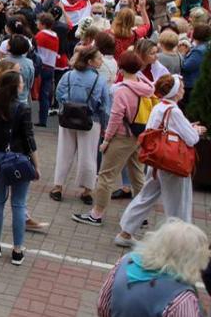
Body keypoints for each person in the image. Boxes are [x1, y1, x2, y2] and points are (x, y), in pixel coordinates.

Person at [118, 74, 206, 245]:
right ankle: (178, 243)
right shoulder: (174, 111)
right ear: (174, 92)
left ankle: (125, 232)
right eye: (180, 87)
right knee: (178, 204)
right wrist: (197, 130)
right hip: (173, 164)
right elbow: (191, 139)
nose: (182, 90)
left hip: (157, 160)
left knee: (146, 196)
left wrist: (189, 128)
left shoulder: (159, 107)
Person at [73, 50, 151, 227]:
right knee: (138, 175)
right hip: (139, 135)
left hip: (122, 136)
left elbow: (116, 117)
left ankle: (97, 214)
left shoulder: (122, 90)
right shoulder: (144, 85)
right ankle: (141, 215)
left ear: (121, 68)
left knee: (106, 176)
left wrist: (107, 139)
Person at [0, 67, 39, 265]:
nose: (23, 84)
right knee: (19, 204)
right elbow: (29, 139)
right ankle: (17, 250)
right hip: (20, 158)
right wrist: (36, 166)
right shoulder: (23, 108)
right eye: (21, 82)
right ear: (15, 87)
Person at [51, 46, 111, 203]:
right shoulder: (100, 80)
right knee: (88, 156)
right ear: (90, 62)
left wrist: (67, 104)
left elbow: (58, 92)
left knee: (64, 153)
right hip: (91, 121)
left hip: (68, 119)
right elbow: (105, 106)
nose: (101, 60)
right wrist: (105, 127)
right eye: (99, 58)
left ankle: (58, 187)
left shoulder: (69, 75)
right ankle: (86, 191)